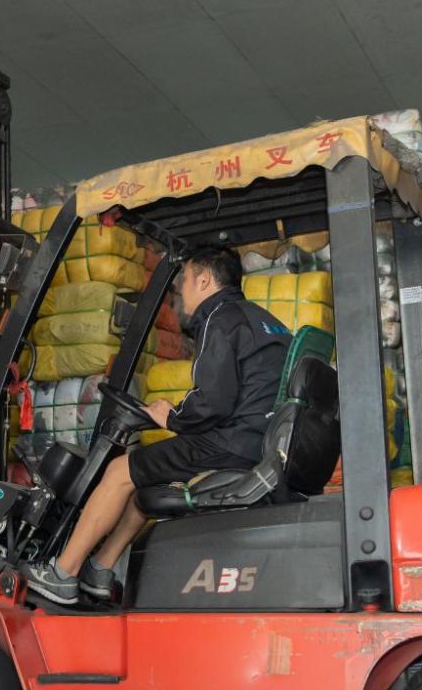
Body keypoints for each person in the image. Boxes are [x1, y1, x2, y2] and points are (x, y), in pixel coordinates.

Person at [21, 246, 291, 606]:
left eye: (184, 281)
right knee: (142, 480)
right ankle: (100, 570)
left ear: (205, 280)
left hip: (232, 443)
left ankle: (61, 573)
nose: (180, 291)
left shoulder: (219, 319)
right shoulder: (262, 319)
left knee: (119, 470)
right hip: (256, 442)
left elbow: (214, 401)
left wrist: (172, 416)